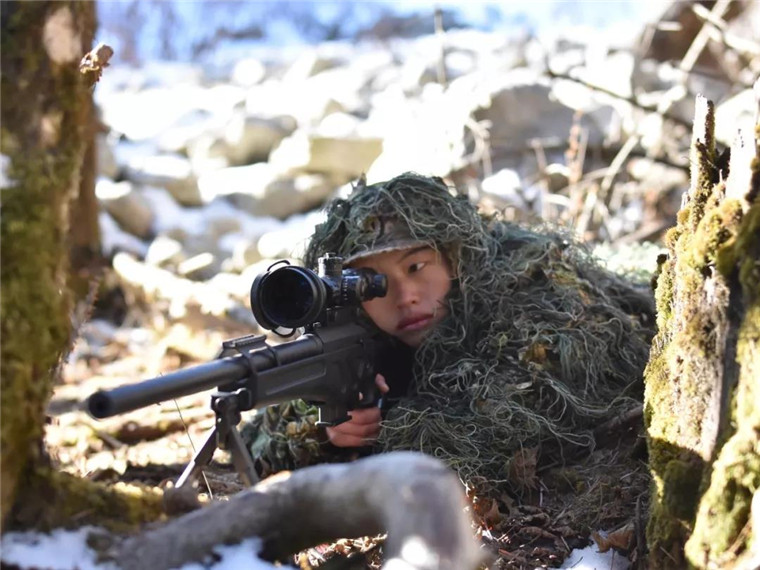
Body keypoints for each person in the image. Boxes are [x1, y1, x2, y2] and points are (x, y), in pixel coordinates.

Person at [241, 172, 654, 491]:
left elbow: (512, 421)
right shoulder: (357, 331)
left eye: (416, 267)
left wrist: (387, 425)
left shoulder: (529, 287)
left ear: (454, 259)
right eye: (372, 282)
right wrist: (326, 428)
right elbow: (257, 434)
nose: (404, 297)